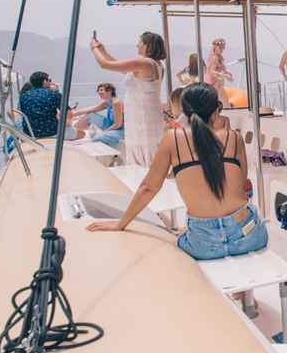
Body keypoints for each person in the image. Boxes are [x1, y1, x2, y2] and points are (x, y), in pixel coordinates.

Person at [88, 83, 268, 261]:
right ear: (216, 111)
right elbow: (242, 184)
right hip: (249, 235)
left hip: (204, 244)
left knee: (177, 233)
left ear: (185, 112)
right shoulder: (233, 137)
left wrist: (120, 224)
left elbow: (148, 188)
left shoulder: (173, 138)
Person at [90, 31, 167, 166]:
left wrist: (94, 48)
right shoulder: (156, 64)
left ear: (146, 45)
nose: (137, 45)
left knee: (144, 153)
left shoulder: (144, 63)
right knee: (149, 153)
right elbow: (120, 66)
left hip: (142, 116)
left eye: (139, 42)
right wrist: (103, 50)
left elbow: (105, 65)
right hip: (146, 114)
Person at [70, 82, 125, 148]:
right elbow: (90, 109)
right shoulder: (107, 102)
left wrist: (104, 132)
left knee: (97, 138)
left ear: (110, 91)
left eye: (101, 90)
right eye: (98, 90)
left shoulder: (116, 102)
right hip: (109, 124)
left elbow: (117, 124)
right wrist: (72, 114)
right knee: (90, 115)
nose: (99, 92)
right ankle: (73, 134)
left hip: (120, 130)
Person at [18, 71, 62, 138]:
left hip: (30, 134)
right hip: (51, 133)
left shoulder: (23, 96)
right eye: (49, 80)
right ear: (44, 81)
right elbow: (67, 114)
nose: (50, 82)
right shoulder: (54, 94)